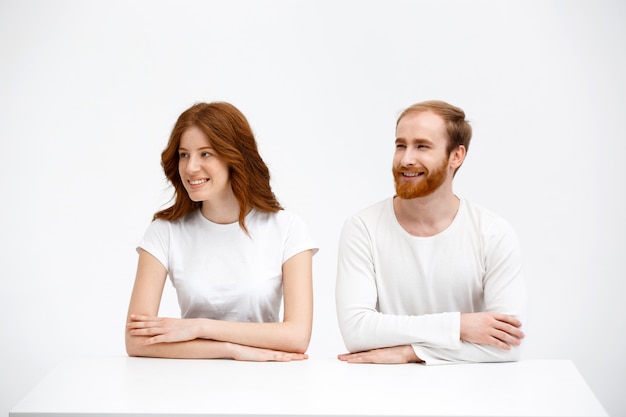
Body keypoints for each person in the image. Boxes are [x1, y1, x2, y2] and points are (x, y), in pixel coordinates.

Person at [335, 100, 527, 365]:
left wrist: (410, 352)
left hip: (473, 397)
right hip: (384, 395)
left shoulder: (493, 233)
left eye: (422, 146)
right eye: (400, 145)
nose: (406, 159)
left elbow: (509, 345)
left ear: (456, 156)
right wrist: (459, 326)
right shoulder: (363, 228)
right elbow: (357, 332)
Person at [125, 102, 317, 361]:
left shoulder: (287, 228)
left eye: (206, 154)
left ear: (234, 157)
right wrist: (231, 350)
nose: (191, 167)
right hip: (190, 381)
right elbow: (136, 342)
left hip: (268, 382)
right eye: (184, 154)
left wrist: (201, 327)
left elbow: (297, 337)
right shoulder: (164, 232)